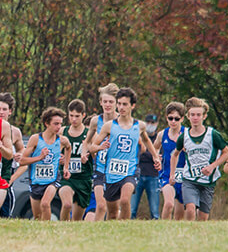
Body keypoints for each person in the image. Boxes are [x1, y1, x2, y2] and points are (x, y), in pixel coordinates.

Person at [91, 88, 161, 220]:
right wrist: (100, 147)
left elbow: (146, 140)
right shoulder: (109, 126)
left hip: (130, 170)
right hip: (110, 173)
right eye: (119, 104)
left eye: (125, 104)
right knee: (112, 212)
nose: (121, 107)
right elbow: (92, 147)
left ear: (132, 106)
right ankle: (113, 234)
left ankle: (125, 227)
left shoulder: (139, 126)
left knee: (124, 201)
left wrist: (155, 156)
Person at [169, 97, 228, 221]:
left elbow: (227, 153)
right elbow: (175, 154)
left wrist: (212, 166)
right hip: (189, 179)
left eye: (198, 115)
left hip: (208, 181)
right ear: (187, 116)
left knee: (203, 218)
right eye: (192, 115)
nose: (195, 118)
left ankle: (198, 237)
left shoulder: (212, 134)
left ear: (204, 116)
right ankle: (187, 236)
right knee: (190, 209)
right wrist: (172, 174)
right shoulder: (184, 136)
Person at [20, 107, 72, 221]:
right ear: (47, 123)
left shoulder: (62, 140)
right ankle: (42, 232)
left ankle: (48, 229)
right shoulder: (36, 139)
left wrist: (66, 167)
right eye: (56, 124)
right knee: (37, 216)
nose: (59, 127)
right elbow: (22, 161)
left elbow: (68, 148)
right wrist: (39, 157)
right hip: (36, 181)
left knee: (45, 204)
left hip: (52, 180)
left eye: (60, 124)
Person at [83, 82, 119, 221]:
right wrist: (84, 153)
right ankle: (95, 232)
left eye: (111, 102)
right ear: (100, 102)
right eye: (105, 101)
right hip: (100, 168)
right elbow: (87, 142)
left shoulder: (122, 121)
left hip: (117, 170)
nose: (108, 105)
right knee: (101, 206)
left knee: (114, 210)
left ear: (116, 103)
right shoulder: (95, 121)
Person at [58, 99, 92, 221]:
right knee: (67, 204)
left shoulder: (89, 134)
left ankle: (71, 235)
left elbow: (98, 150)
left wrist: (90, 153)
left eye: (77, 116)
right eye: (71, 116)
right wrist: (59, 158)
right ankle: (62, 229)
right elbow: (52, 148)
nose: (73, 119)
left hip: (83, 179)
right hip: (67, 178)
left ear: (83, 115)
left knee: (77, 220)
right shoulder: (63, 131)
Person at [154, 102, 187, 220]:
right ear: (166, 118)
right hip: (166, 175)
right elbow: (155, 148)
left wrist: (185, 149)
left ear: (182, 119)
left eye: (176, 119)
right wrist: (157, 157)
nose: (173, 121)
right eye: (170, 118)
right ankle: (163, 229)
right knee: (168, 204)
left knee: (179, 212)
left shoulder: (187, 134)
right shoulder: (162, 134)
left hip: (184, 175)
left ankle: (175, 235)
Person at [0, 92, 25, 214]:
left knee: (0, 213)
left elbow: (23, 154)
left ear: (10, 112)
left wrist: (20, 155)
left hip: (5, 177)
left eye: (4, 109)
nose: (1, 112)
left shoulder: (15, 132)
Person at [130, 113, 160, 219]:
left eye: (153, 123)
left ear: (157, 124)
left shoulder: (158, 138)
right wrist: (152, 154)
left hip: (153, 176)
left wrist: (146, 153)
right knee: (131, 209)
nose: (150, 125)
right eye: (148, 122)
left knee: (155, 211)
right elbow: (136, 154)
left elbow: (160, 157)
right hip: (137, 175)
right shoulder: (138, 136)